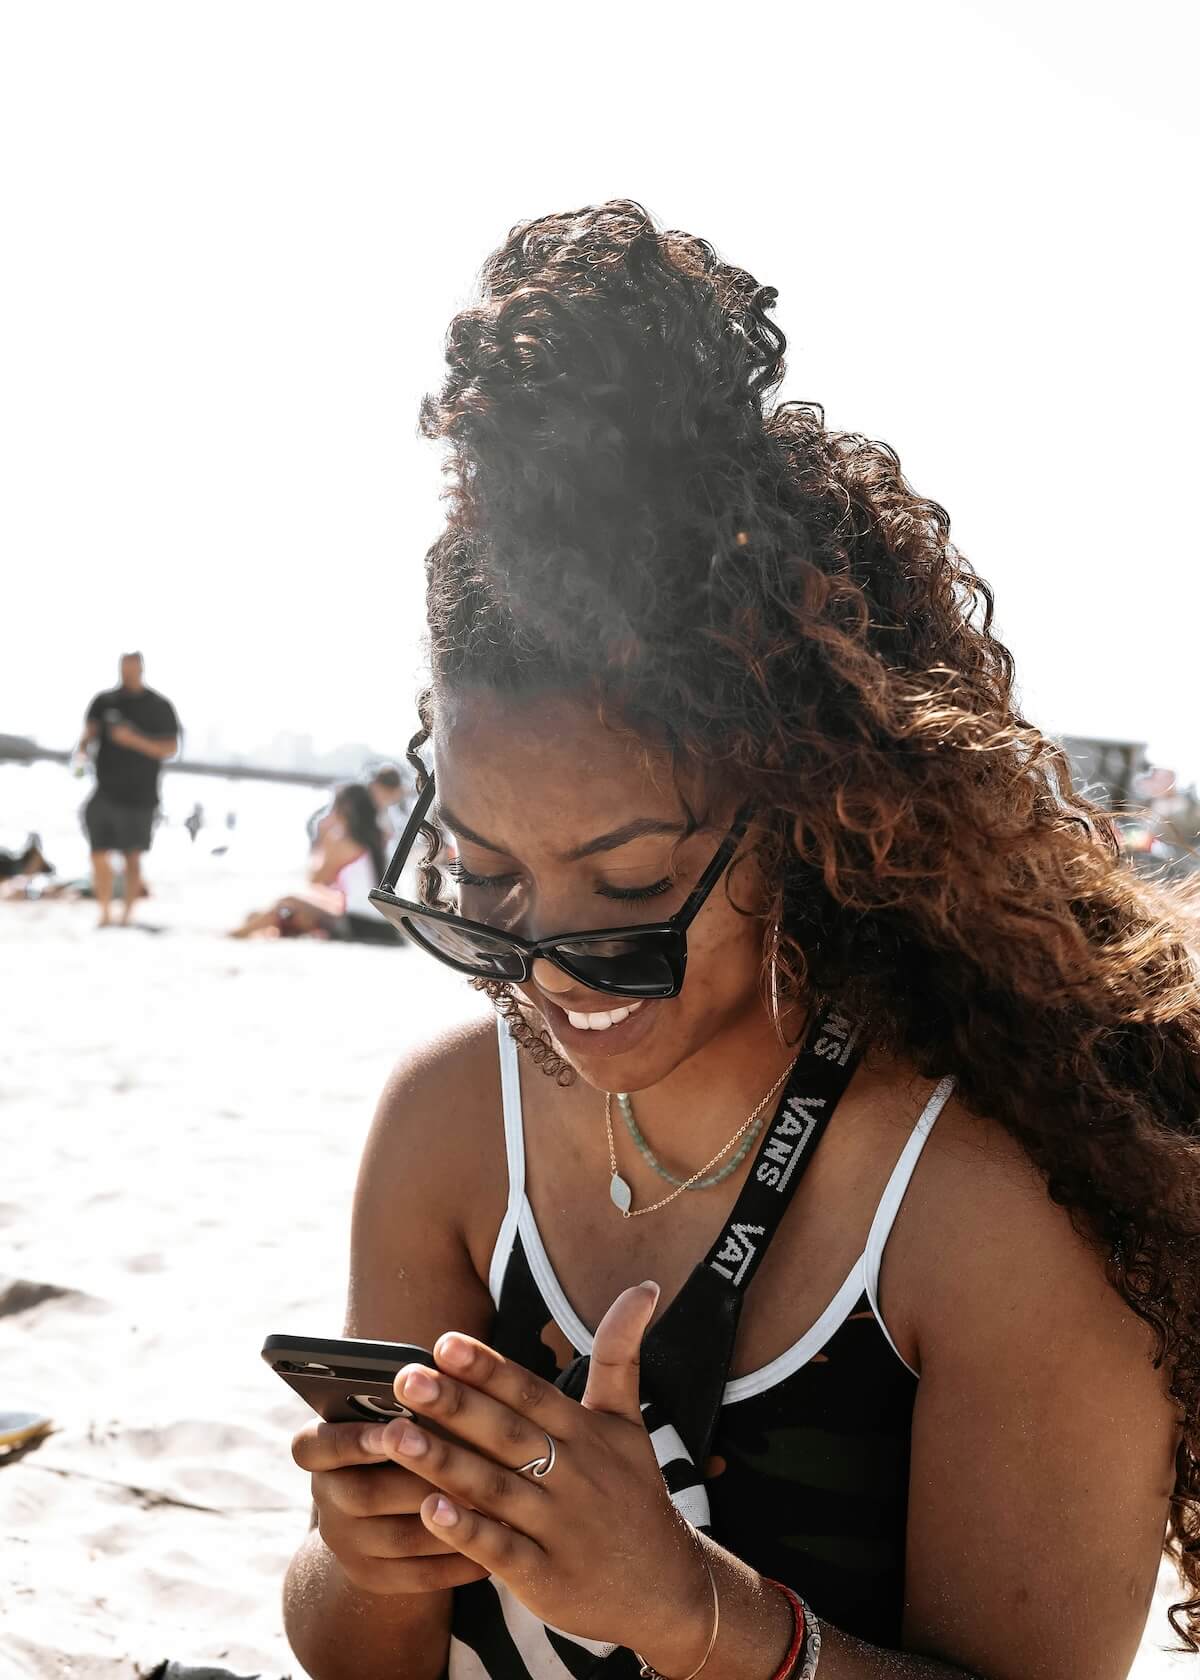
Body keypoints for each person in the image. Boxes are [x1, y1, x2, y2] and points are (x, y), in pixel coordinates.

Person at [282, 202, 1197, 1680]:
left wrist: (700, 1617)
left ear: (810, 814)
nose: (556, 966)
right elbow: (354, 1657)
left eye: (629, 881)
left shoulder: (984, 1219)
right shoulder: (454, 1130)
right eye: (484, 881)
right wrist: (368, 1554)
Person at [75, 652, 180, 927]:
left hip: (141, 795)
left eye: (132, 668)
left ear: (141, 669)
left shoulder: (159, 706)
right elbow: (88, 734)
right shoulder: (104, 701)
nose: (127, 673)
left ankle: (127, 915)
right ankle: (105, 912)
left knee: (132, 857)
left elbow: (170, 748)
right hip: (105, 790)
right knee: (98, 853)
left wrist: (133, 740)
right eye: (123, 668)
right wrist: (83, 749)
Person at [230, 782, 398, 943]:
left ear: (344, 810)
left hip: (359, 923)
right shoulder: (375, 840)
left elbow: (315, 881)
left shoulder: (345, 843)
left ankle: (234, 935)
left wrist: (322, 839)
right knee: (267, 913)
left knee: (286, 904)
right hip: (380, 923)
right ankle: (257, 928)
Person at [307, 765, 410, 849]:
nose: (388, 799)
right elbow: (326, 825)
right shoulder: (353, 797)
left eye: (390, 797)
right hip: (328, 841)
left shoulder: (382, 808)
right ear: (376, 785)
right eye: (386, 795)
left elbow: (388, 834)